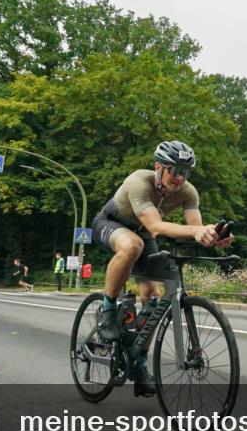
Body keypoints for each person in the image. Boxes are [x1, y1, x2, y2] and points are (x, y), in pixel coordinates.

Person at [91, 140, 233, 393]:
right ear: (158, 166)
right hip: (110, 223)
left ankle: (139, 363)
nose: (180, 178)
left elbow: (193, 227)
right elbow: (156, 226)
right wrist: (197, 230)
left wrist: (212, 235)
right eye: (175, 170)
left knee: (153, 297)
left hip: (143, 233)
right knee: (132, 245)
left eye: (185, 172)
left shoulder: (188, 192)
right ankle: (108, 309)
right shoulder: (139, 182)